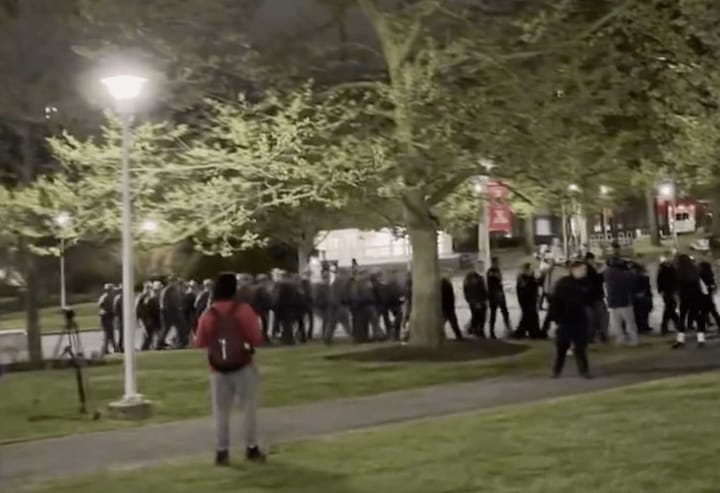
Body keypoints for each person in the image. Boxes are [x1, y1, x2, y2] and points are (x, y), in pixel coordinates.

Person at [194, 272, 264, 466]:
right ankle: (251, 447)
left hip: (217, 368)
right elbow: (256, 338)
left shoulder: (209, 314)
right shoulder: (244, 310)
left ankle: (222, 450)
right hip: (243, 365)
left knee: (221, 411)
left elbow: (200, 341)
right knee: (248, 408)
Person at [548, 260, 592, 378]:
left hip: (579, 320)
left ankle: (584, 371)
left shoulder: (582, 283)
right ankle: (557, 371)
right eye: (582, 270)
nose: (584, 272)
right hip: (566, 321)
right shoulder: (563, 284)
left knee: (580, 348)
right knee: (562, 348)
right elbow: (556, 303)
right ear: (574, 270)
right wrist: (556, 319)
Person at [604, 256, 638, 346]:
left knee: (616, 323)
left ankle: (620, 339)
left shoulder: (607, 272)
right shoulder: (626, 274)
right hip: (625, 301)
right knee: (629, 323)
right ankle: (633, 339)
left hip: (612, 301)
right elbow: (633, 281)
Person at [674, 254, 706, 348]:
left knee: (682, 318)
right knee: (697, 317)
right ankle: (701, 339)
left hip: (685, 297)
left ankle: (680, 340)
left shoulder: (679, 272)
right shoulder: (695, 270)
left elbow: (677, 286)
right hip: (696, 297)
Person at [584, 253, 608, 343]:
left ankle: (592, 337)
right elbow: (596, 281)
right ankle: (601, 335)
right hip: (595, 297)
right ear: (589, 259)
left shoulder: (584, 269)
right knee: (600, 317)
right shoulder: (589, 269)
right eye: (592, 259)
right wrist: (601, 273)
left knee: (591, 318)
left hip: (588, 298)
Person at [486, 257, 511, 338]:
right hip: (494, 296)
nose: (498, 264)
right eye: (496, 262)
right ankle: (492, 331)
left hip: (499, 294)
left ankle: (508, 328)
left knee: (504, 312)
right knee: (494, 314)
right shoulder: (491, 272)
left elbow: (500, 280)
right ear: (493, 263)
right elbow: (494, 282)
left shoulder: (496, 271)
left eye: (498, 262)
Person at [514, 262, 540, 338]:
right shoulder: (521, 277)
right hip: (526, 300)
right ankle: (526, 331)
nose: (529, 269)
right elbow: (521, 288)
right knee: (527, 315)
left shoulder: (531, 277)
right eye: (527, 268)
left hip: (531, 299)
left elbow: (535, 288)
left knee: (531, 315)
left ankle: (531, 331)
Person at [463, 262, 488, 337]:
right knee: (480, 317)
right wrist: (478, 301)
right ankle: (477, 330)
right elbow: (473, 291)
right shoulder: (474, 278)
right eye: (480, 266)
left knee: (476, 316)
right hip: (477, 301)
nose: (481, 268)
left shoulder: (474, 277)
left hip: (476, 301)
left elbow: (466, 290)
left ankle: (473, 329)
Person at [657, 253, 680, 335]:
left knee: (670, 308)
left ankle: (672, 325)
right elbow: (662, 281)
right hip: (669, 291)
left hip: (668, 291)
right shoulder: (667, 269)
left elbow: (660, 282)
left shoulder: (664, 269)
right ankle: (668, 326)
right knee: (670, 308)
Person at [698, 256, 720, 329]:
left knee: (704, 311)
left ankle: (704, 326)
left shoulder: (700, 274)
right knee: (712, 311)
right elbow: (712, 284)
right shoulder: (709, 274)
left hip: (702, 295)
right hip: (708, 294)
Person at [632, 262, 653, 334]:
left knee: (639, 313)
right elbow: (647, 288)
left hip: (638, 297)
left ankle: (642, 327)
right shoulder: (644, 277)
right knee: (643, 312)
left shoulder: (633, 276)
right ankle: (644, 326)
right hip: (644, 297)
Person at [441, 273, 463, 340]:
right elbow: (451, 296)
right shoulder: (448, 285)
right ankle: (458, 335)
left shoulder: (442, 286)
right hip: (449, 306)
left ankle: (443, 335)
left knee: (443, 322)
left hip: (444, 306)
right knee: (453, 321)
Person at [98, 283, 117, 355]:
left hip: (109, 317)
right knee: (108, 334)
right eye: (112, 289)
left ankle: (113, 348)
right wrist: (106, 310)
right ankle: (105, 349)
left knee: (110, 334)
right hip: (106, 317)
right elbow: (100, 305)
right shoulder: (105, 297)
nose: (113, 291)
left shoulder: (110, 297)